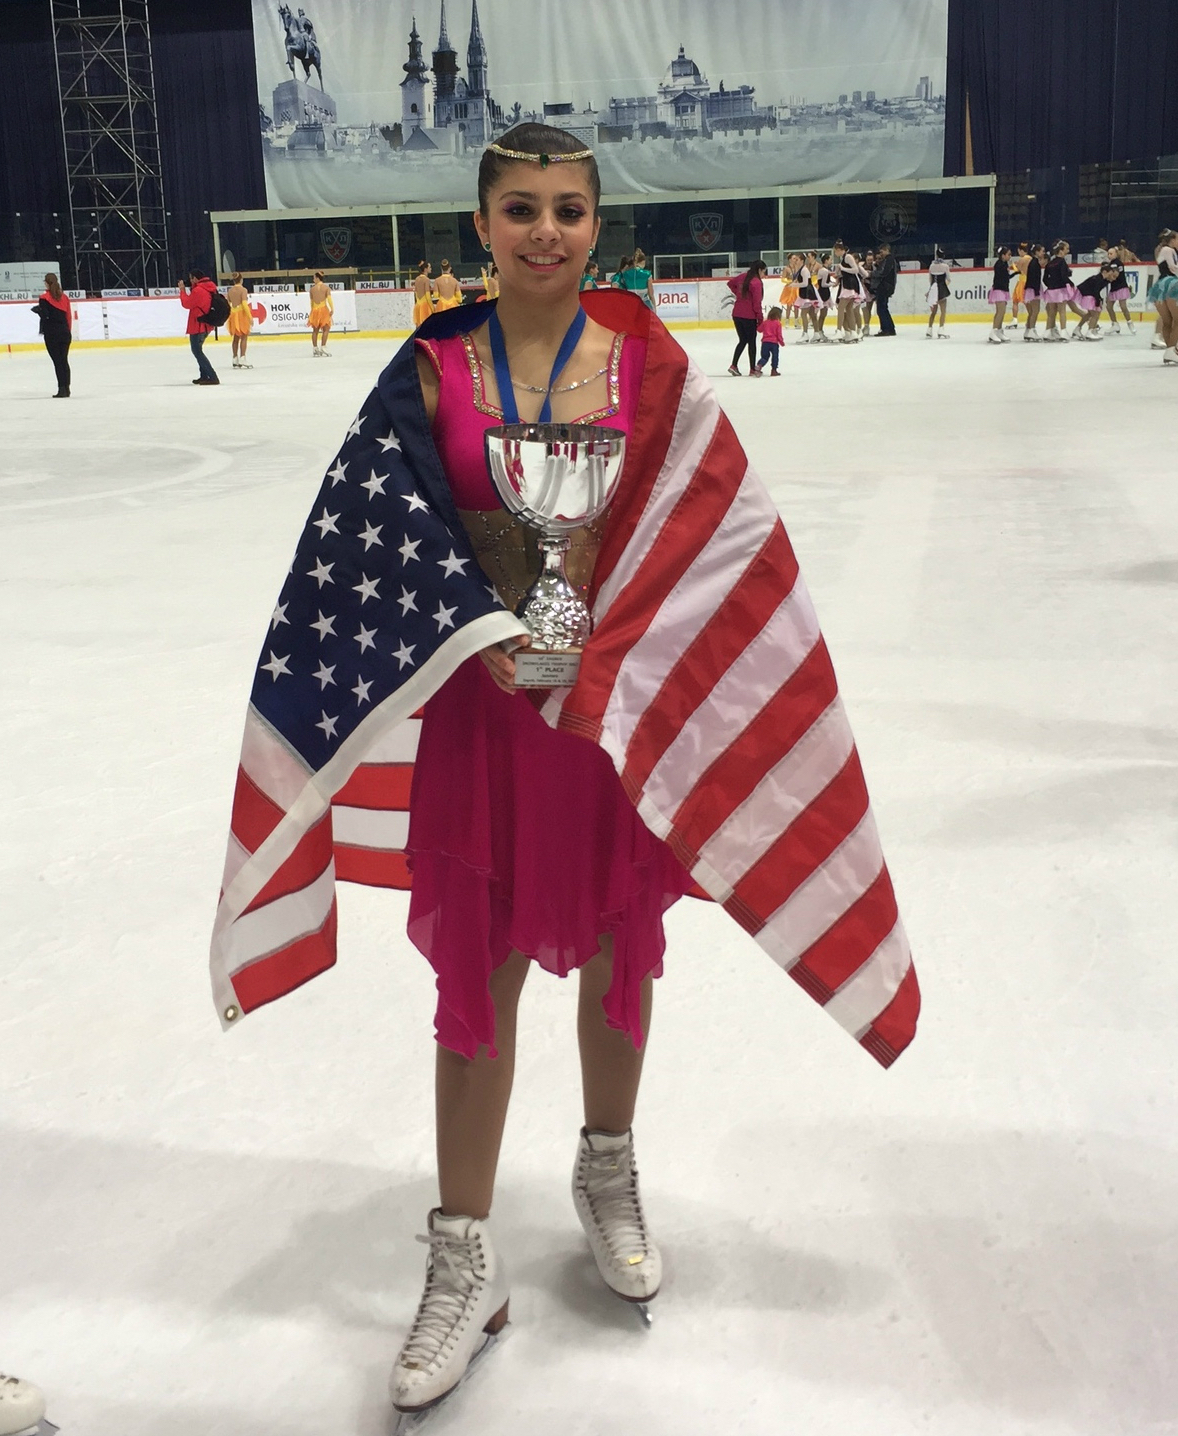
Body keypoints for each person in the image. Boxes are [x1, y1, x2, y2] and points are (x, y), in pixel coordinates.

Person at [210, 119, 919, 1429]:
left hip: (611, 729)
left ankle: (607, 1168)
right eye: (521, 209)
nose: (546, 231)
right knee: (472, 991)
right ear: (479, 225)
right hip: (488, 732)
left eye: (570, 210)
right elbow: (374, 547)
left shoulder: (644, 363)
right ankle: (461, 1258)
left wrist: (625, 654)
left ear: (599, 224)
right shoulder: (430, 373)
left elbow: (707, 533)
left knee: (619, 956)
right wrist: (471, 638)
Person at [30, 271, 72, 397]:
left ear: (47, 283)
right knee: (64, 361)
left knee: (58, 361)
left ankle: (61, 389)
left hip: (52, 334)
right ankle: (67, 388)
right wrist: (67, 330)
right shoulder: (64, 297)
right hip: (64, 333)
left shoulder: (44, 298)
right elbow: (68, 316)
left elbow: (46, 316)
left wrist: (38, 311)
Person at [179, 268, 220, 385]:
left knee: (197, 351)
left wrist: (182, 290)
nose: (190, 281)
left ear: (196, 279)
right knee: (198, 350)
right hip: (206, 324)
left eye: (191, 278)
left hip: (198, 325)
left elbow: (187, 303)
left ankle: (212, 376)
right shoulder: (209, 287)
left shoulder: (199, 290)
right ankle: (204, 375)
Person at [726, 260, 766, 374]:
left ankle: (734, 365)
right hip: (749, 316)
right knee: (752, 342)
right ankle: (752, 369)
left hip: (737, 314)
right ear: (759, 270)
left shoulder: (743, 276)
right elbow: (756, 303)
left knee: (743, 340)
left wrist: (738, 294)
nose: (764, 275)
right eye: (764, 272)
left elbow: (730, 283)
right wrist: (760, 319)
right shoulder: (757, 283)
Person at [1147, 229, 1178, 364]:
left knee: (1168, 321)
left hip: (1161, 285)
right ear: (1172, 240)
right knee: (1176, 320)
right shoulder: (1168, 250)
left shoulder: (1163, 250)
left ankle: (1170, 352)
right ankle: (1171, 351)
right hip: (1171, 283)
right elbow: (1173, 268)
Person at [1073, 264, 1116, 339]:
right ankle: (1089, 332)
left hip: (1089, 295)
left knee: (1090, 314)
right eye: (1110, 274)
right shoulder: (1097, 279)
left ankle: (1078, 329)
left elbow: (1097, 290)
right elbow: (1095, 290)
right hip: (1088, 295)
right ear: (1105, 272)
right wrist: (1098, 300)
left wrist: (1099, 299)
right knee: (1094, 314)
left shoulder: (1100, 279)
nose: (1111, 276)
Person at [1102, 246, 1135, 334]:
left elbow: (1115, 275)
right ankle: (1115, 324)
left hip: (1121, 287)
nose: (1109, 255)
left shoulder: (1118, 263)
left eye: (1111, 253)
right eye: (1108, 253)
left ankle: (1130, 323)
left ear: (1116, 254)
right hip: (1114, 288)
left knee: (1123, 306)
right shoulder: (1110, 264)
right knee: (1109, 306)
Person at [226, 272, 253, 369]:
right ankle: (242, 357)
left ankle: (234, 358)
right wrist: (250, 317)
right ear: (241, 280)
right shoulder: (243, 290)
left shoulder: (230, 291)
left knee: (236, 338)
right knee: (244, 336)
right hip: (241, 314)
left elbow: (228, 304)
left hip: (233, 314)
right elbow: (245, 304)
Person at [872, 242, 898, 335]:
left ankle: (886, 329)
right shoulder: (888, 260)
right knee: (883, 308)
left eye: (882, 251)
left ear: (887, 250)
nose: (881, 253)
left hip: (885, 286)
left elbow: (883, 272)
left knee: (881, 308)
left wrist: (872, 274)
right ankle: (890, 328)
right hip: (886, 286)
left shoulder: (889, 260)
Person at [988, 246, 1012, 343]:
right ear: (1003, 255)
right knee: (1000, 312)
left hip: (1004, 290)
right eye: (1008, 254)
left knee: (1002, 312)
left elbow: (1006, 277)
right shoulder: (999, 265)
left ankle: (999, 331)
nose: (1010, 256)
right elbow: (1001, 278)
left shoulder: (1004, 264)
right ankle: (993, 332)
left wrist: (1015, 273)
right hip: (998, 290)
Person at [925, 248, 951, 337]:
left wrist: (931, 290)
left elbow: (930, 279)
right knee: (943, 311)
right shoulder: (945, 266)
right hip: (941, 289)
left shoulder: (931, 266)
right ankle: (941, 330)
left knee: (933, 311)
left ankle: (929, 329)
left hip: (933, 289)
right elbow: (948, 279)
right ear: (943, 256)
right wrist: (944, 287)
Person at [1022, 243, 1045, 340]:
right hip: (1034, 288)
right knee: (1035, 311)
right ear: (1037, 252)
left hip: (1031, 288)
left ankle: (1028, 331)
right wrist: (1036, 291)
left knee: (1031, 312)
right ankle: (1031, 330)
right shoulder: (1035, 264)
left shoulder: (1033, 262)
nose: (1043, 253)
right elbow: (1034, 279)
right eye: (1042, 251)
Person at [308, 270, 334, 356]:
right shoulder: (326, 288)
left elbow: (311, 302)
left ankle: (315, 348)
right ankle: (323, 347)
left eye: (314, 278)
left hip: (315, 310)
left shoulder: (312, 289)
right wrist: (332, 309)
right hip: (323, 310)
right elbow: (329, 300)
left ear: (318, 278)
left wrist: (312, 311)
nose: (313, 279)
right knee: (326, 329)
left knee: (315, 330)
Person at [758, 305, 784, 374]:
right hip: (774, 343)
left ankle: (759, 365)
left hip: (765, 342)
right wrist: (781, 342)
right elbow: (779, 334)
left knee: (765, 357)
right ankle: (774, 370)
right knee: (775, 356)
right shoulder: (778, 323)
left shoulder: (765, 322)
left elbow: (759, 330)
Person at [412, 260, 436, 327]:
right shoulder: (426, 280)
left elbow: (416, 293)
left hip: (418, 305)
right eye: (429, 267)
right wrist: (432, 308)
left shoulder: (417, 279)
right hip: (425, 306)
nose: (431, 269)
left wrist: (419, 303)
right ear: (425, 269)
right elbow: (428, 296)